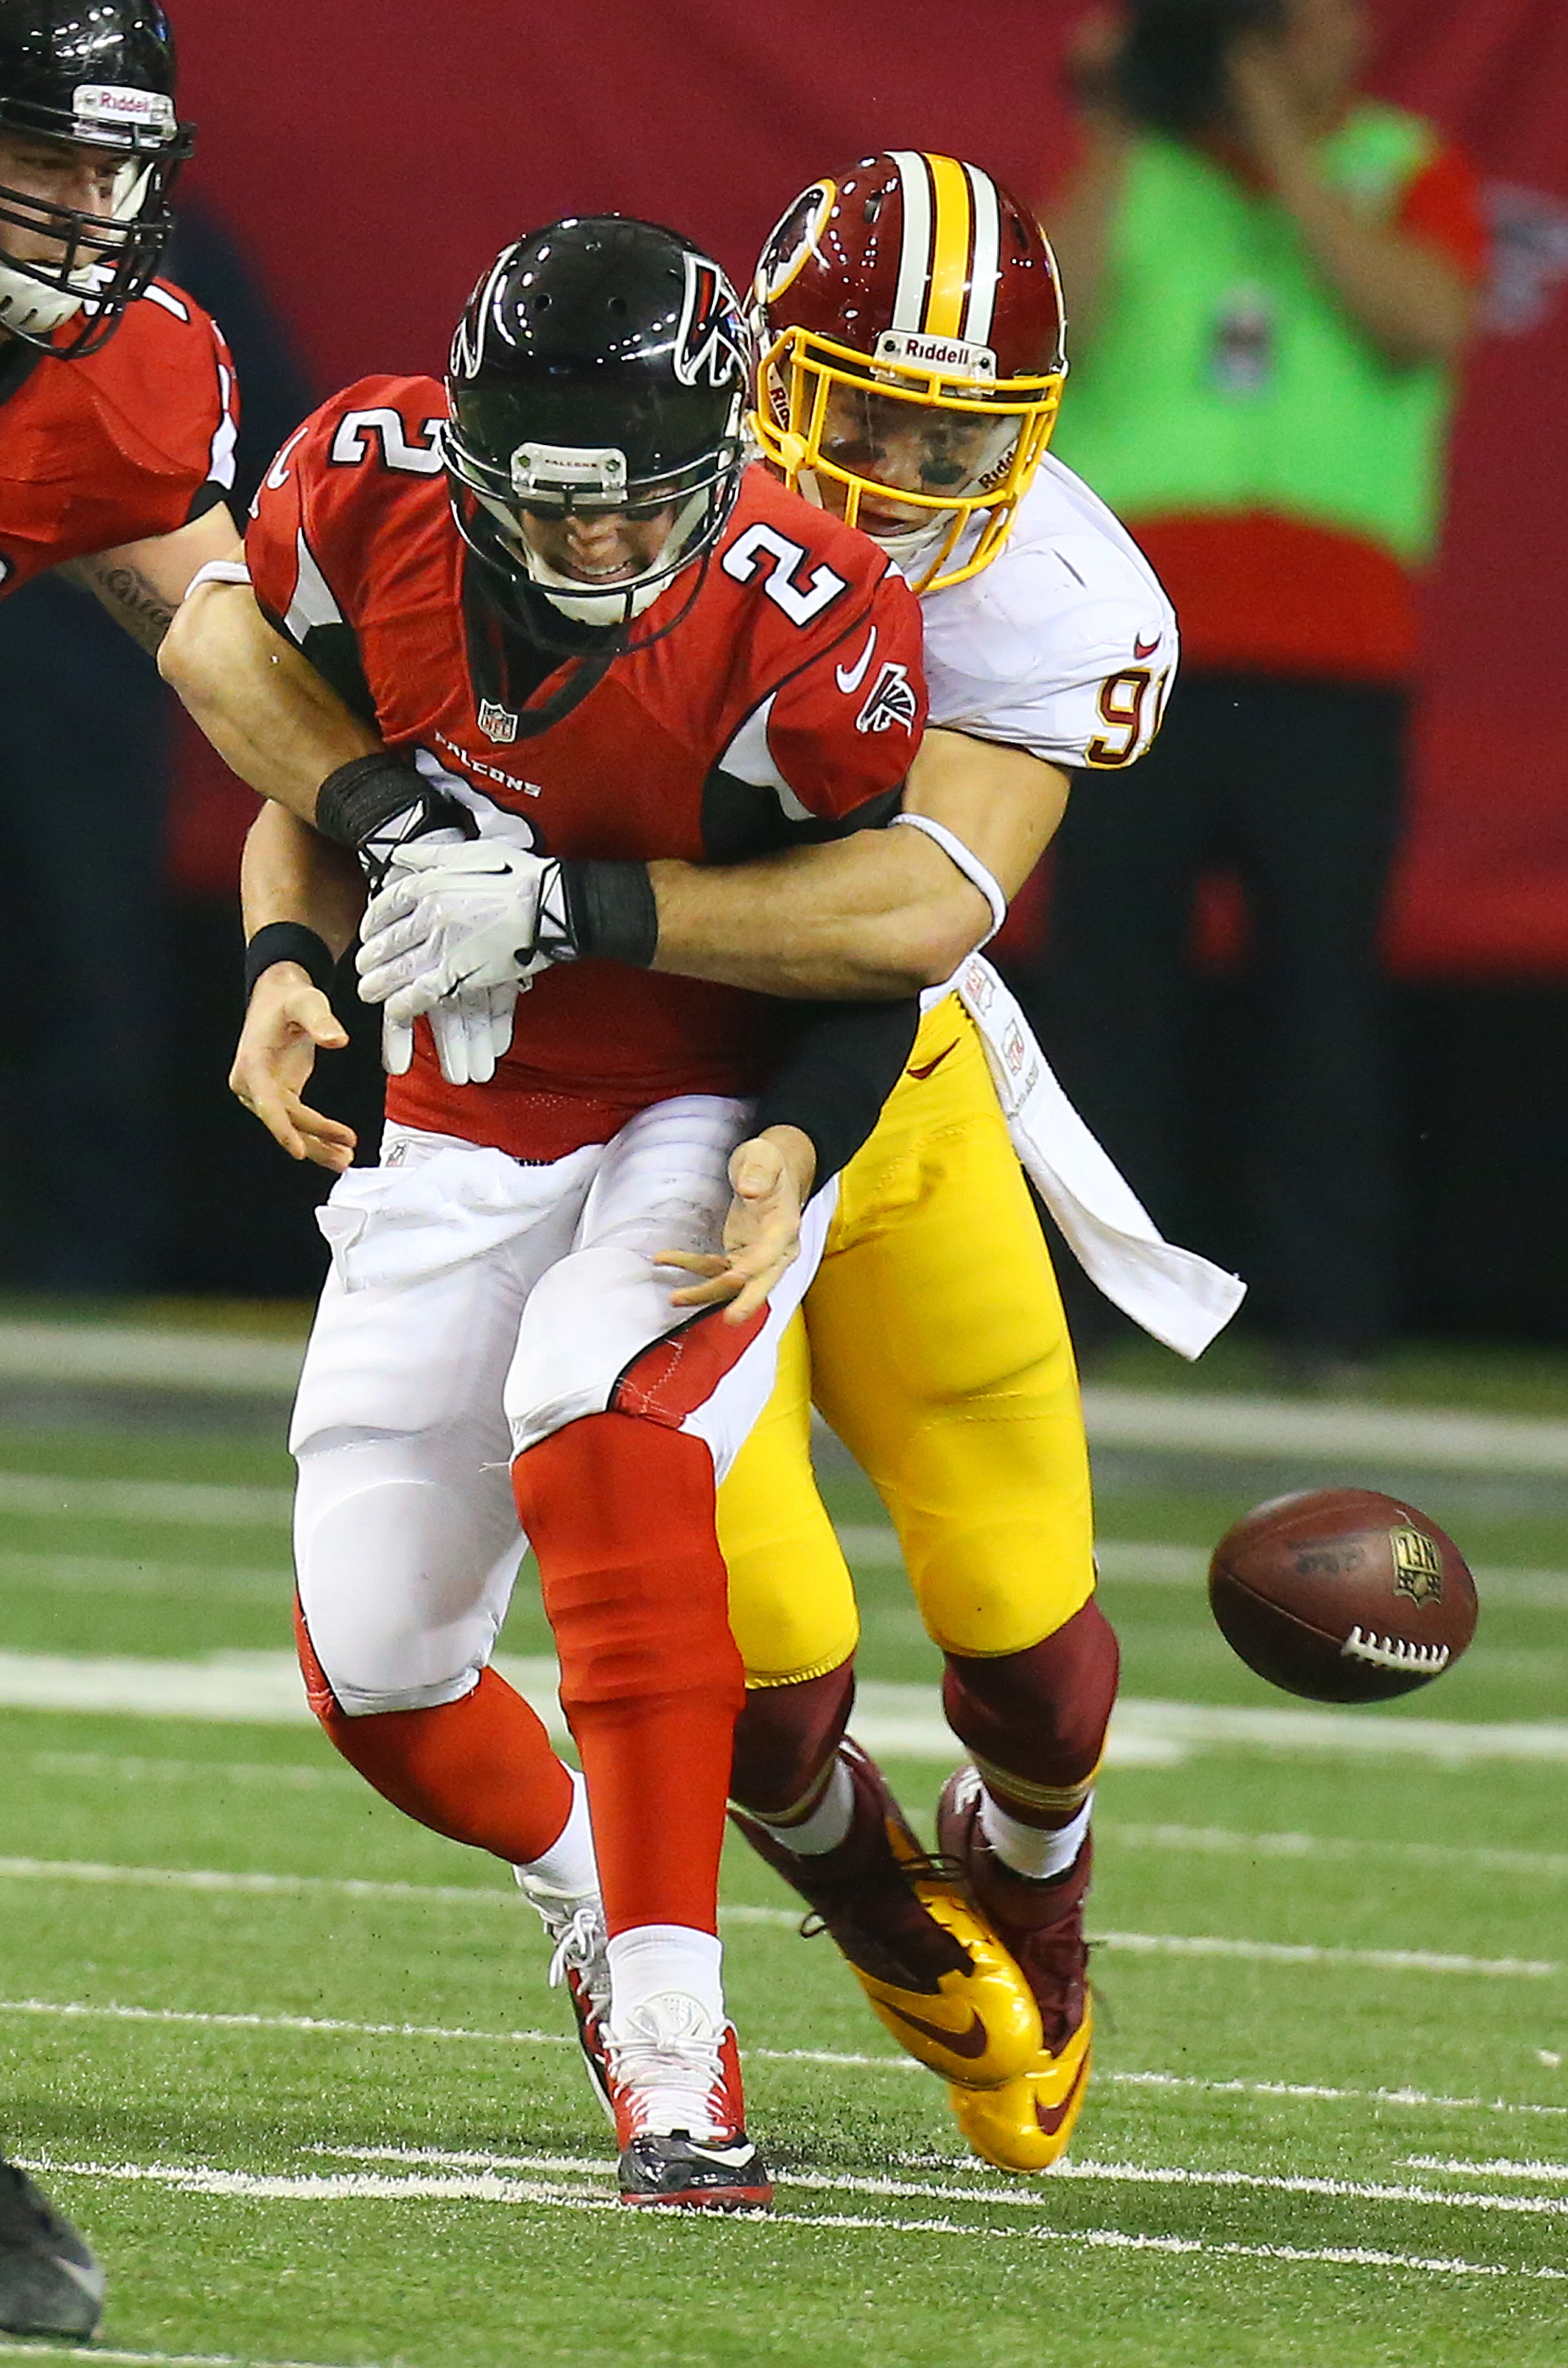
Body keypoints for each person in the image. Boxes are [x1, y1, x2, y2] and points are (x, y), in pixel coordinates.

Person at [350, 154, 1237, 2175]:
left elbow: (911, 914)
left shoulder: (1069, 601)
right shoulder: (612, 486)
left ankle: (1039, 1888)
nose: (918, 467)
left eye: (965, 428)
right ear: (767, 380)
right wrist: (292, 942)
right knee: (756, 1675)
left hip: (887, 1097)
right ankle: (864, 1900)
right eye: (878, 408)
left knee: (1032, 1639)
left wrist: (574, 904)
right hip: (619, 1122)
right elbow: (345, 701)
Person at [160, 214, 931, 2211]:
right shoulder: (371, 484)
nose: (590, 551)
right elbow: (289, 743)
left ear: (722, 452)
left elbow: (879, 939)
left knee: (600, 1416)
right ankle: (599, 1887)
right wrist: (276, 952)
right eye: (547, 509)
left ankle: (679, 2034)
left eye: (632, 510)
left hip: (691, 1103)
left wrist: (801, 1140)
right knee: (382, 1665)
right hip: (452, 1119)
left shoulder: (805, 615)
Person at [1035, 0, 1486, 1376]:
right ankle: (1092, 1301)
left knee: (1324, 994)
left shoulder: (1406, 165)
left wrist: (1292, 148)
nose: (1282, 42)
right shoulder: (1138, 169)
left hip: (1332, 660)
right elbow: (1045, 325)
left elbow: (1420, 321)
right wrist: (1119, 125)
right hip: (1128, 641)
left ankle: (1329, 1313)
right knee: (1104, 988)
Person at [0, 0, 240, 2332]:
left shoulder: (125, 369)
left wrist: (384, 813)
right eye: (40, 158)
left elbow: (219, 616)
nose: (90, 211)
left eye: (113, 165)